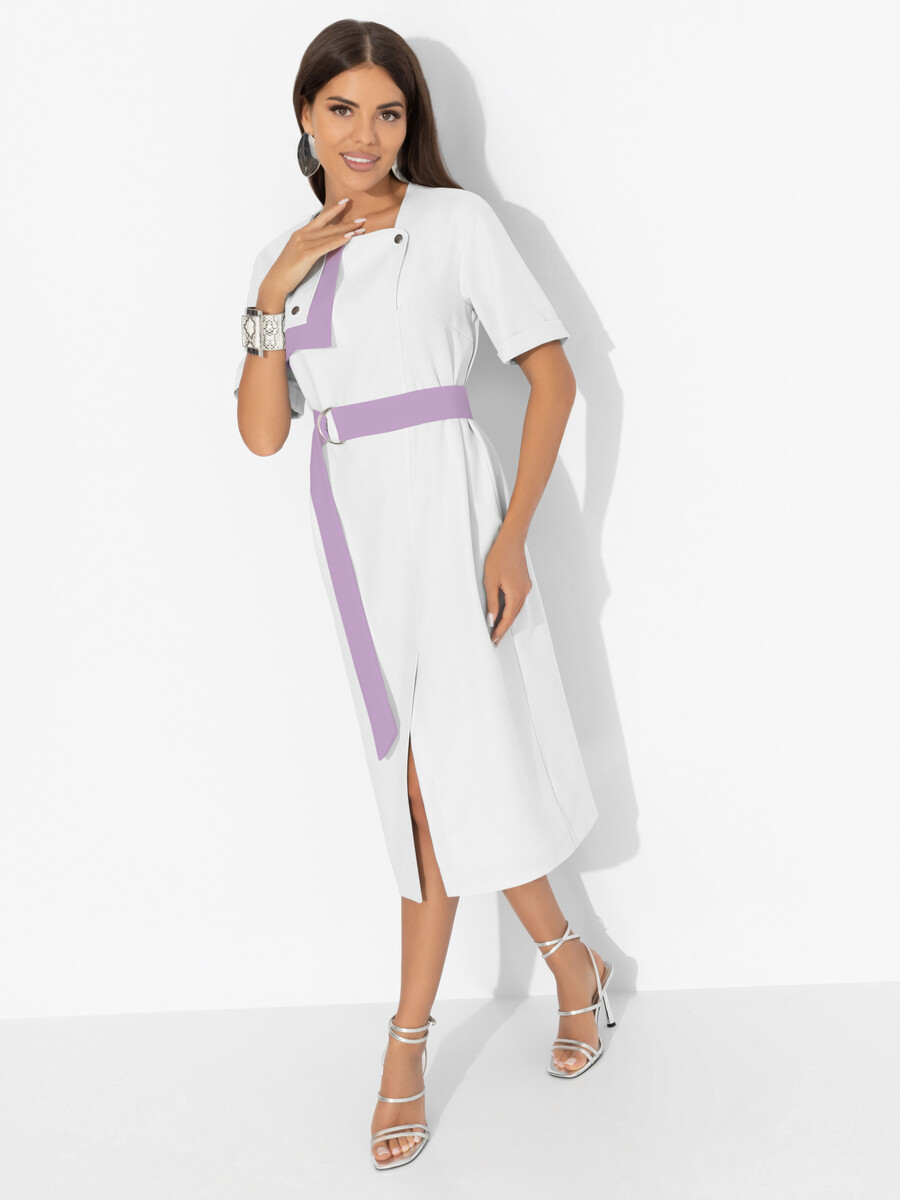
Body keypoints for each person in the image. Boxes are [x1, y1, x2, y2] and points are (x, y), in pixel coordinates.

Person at [233, 19, 616, 1171]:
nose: (366, 133)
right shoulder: (285, 255)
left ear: (412, 123)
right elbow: (264, 434)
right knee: (426, 779)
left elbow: (553, 378)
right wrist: (273, 289)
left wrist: (513, 536)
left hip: (452, 520)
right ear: (306, 118)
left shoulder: (454, 224)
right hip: (357, 541)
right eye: (342, 109)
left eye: (388, 111)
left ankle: (406, 1045)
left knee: (446, 781)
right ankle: (574, 964)